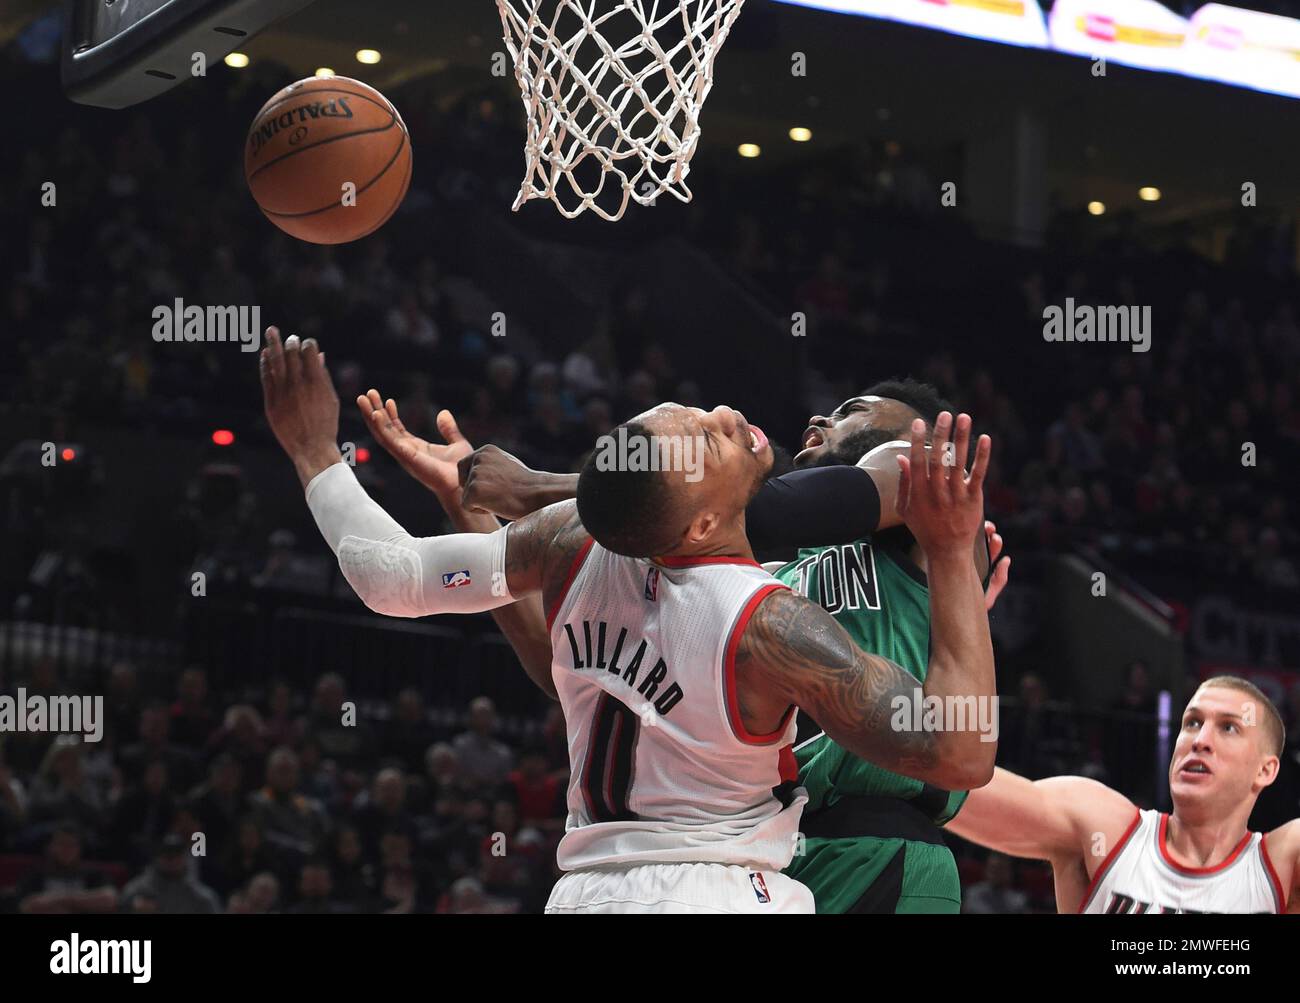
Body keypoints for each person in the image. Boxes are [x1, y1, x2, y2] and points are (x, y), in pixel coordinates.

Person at [260, 328, 997, 913]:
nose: (724, 414)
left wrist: (315, 452)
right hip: (724, 892)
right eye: (706, 438)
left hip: (585, 889)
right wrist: (955, 551)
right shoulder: (772, 623)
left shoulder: (568, 542)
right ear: (703, 514)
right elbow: (962, 752)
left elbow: (393, 576)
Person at [438, 380, 1009, 913]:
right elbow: (572, 671)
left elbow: (760, 507)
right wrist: (472, 516)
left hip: (880, 849)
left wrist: (543, 489)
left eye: (850, 413)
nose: (819, 418)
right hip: (758, 857)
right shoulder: (751, 577)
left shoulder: (932, 503)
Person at [947, 676, 1300, 913]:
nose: (1200, 740)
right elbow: (949, 782)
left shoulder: (1280, 863)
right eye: (1192, 722)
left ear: (1265, 770)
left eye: (1228, 727)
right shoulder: (1107, 826)